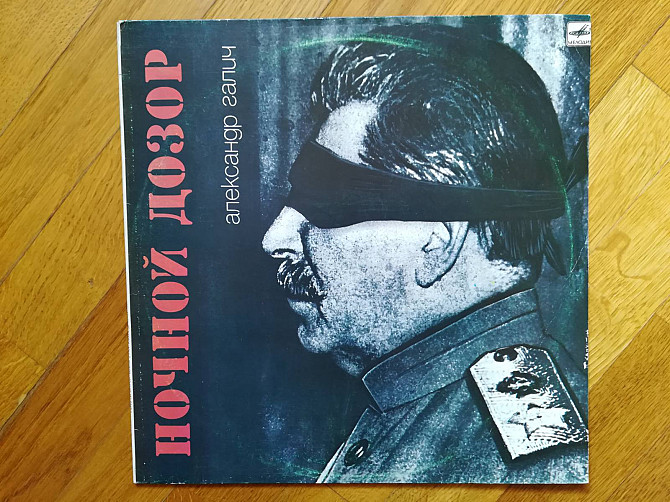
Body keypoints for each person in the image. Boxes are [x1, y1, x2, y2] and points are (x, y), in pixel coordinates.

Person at [261, 24, 588, 483]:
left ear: (437, 243)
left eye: (322, 205)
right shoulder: (427, 406)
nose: (274, 238)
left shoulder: (537, 463)